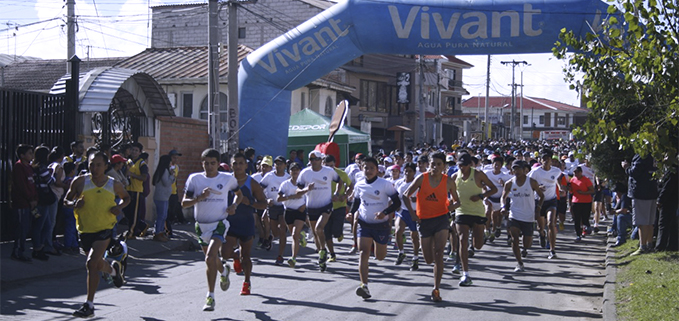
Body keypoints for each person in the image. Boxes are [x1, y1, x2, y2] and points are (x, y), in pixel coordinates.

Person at [64, 152, 130, 318]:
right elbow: (66, 200)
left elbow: (126, 198)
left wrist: (119, 208)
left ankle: (89, 305)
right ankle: (115, 271)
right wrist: (74, 204)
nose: (94, 168)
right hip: (85, 230)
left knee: (91, 263)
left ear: (106, 166)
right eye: (92, 164)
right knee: (97, 264)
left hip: (105, 229)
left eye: (99, 165)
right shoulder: (80, 182)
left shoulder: (113, 184)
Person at [181, 148, 242, 311]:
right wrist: (199, 198)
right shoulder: (195, 179)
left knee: (209, 258)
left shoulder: (227, 178)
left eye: (212, 163)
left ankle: (210, 296)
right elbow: (184, 203)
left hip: (219, 224)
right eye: (206, 163)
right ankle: (224, 272)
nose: (209, 167)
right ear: (202, 163)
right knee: (213, 260)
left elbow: (239, 194)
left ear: (218, 164)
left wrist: (234, 205)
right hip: (201, 225)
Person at [403, 152, 459, 301]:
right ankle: (430, 250)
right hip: (424, 221)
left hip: (441, 220)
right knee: (428, 259)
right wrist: (413, 214)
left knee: (439, 253)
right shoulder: (422, 178)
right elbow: (405, 195)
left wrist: (447, 209)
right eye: (433, 164)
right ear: (429, 164)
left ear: (444, 166)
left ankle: (436, 289)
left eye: (439, 164)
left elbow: (457, 201)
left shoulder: (448, 182)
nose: (435, 167)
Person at [349, 157, 401, 299]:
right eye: (366, 168)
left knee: (380, 256)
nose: (369, 171)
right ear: (362, 169)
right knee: (363, 253)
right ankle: (364, 286)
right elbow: (357, 202)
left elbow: (397, 202)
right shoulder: (359, 185)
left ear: (377, 170)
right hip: (364, 223)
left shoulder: (385, 184)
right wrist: (351, 213)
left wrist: (384, 212)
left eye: (372, 168)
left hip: (381, 225)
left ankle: (382, 242)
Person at [221, 153, 267, 296]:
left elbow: (264, 204)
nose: (238, 166)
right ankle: (235, 257)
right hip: (229, 222)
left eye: (241, 163)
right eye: (235, 163)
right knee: (224, 253)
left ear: (246, 165)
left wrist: (250, 202)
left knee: (246, 256)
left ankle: (246, 282)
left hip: (246, 222)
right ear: (231, 165)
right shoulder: (225, 180)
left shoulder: (252, 183)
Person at [449, 152, 498, 286]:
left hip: (477, 212)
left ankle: (480, 237)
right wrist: (451, 203)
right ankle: (465, 274)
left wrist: (481, 197)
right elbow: (451, 193)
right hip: (462, 211)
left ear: (470, 164)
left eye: (464, 165)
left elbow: (494, 189)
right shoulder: (454, 176)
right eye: (460, 165)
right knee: (462, 240)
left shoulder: (478, 174)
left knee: (478, 245)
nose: (462, 168)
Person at [296, 150, 343, 272]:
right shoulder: (305, 173)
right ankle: (322, 254)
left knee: (319, 228)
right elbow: (298, 191)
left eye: (315, 159)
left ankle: (323, 250)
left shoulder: (328, 171)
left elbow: (340, 181)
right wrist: (307, 189)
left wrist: (337, 193)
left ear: (321, 160)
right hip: (311, 206)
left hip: (326, 205)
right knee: (316, 234)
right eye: (310, 159)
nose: (312, 162)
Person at [501, 160, 544, 272]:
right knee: (515, 239)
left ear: (524, 170)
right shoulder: (509, 183)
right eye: (514, 169)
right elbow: (503, 197)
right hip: (514, 215)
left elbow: (541, 196)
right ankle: (519, 263)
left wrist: (538, 208)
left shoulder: (532, 182)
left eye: (519, 169)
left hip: (528, 216)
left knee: (527, 242)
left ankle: (524, 249)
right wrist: (503, 207)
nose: (516, 171)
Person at [527, 150, 565, 259]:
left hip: (551, 200)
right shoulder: (535, 172)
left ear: (551, 161)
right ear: (540, 160)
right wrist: (537, 188)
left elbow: (557, 179)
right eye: (543, 159)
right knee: (540, 227)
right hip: (539, 201)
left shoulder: (556, 171)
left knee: (551, 223)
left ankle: (552, 250)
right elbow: (528, 182)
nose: (545, 161)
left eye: (548, 159)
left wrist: (560, 187)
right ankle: (542, 234)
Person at [622, 154, 658, 255]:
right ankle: (649, 244)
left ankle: (643, 246)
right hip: (652, 191)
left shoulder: (642, 156)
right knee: (650, 221)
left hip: (641, 193)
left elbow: (634, 172)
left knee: (642, 221)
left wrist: (626, 167)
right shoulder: (654, 154)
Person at [259, 156, 291, 265]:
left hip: (284, 207)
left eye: (281, 164)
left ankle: (280, 256)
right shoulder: (269, 176)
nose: (278, 166)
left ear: (285, 166)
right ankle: (272, 236)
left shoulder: (288, 177)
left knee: (282, 229)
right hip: (272, 206)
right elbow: (259, 189)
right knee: (275, 232)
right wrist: (266, 199)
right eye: (277, 164)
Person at [277, 162, 309, 267]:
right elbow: (279, 198)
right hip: (289, 212)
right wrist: (291, 197)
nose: (295, 172)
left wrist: (304, 205)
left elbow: (310, 197)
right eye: (292, 170)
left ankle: (293, 258)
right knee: (294, 234)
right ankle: (301, 236)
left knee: (294, 235)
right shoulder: (285, 184)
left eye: (297, 170)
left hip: (300, 211)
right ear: (289, 172)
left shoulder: (304, 184)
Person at [322, 155, 353, 263]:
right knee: (327, 232)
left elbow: (350, 186)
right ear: (323, 164)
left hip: (339, 205)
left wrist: (345, 195)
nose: (330, 168)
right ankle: (332, 254)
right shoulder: (320, 174)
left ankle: (339, 233)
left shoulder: (342, 174)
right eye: (327, 166)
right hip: (325, 206)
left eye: (332, 166)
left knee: (336, 231)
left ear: (335, 164)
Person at [11, 144, 37, 262]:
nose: (32, 155)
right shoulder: (19, 167)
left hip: (29, 203)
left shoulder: (29, 167)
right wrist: (30, 198)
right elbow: (22, 186)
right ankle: (17, 251)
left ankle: (21, 250)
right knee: (21, 228)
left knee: (26, 227)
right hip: (22, 203)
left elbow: (32, 184)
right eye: (29, 153)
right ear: (22, 155)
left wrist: (34, 198)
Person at [394, 162, 420, 271]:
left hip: (415, 212)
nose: (407, 173)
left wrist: (417, 200)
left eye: (410, 171)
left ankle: (415, 258)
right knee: (398, 231)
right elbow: (396, 196)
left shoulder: (418, 183)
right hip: (403, 210)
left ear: (414, 172)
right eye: (406, 171)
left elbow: (425, 197)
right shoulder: (399, 183)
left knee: (414, 236)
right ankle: (401, 252)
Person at [32, 146, 57, 260]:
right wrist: (52, 175)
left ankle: (41, 246)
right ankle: (37, 248)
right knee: (40, 225)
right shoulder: (41, 168)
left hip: (41, 199)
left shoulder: (33, 167)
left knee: (46, 225)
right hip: (42, 199)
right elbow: (50, 181)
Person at [483, 155, 513, 241]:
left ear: (501, 166)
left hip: (499, 199)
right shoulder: (487, 174)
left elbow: (508, 189)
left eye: (499, 165)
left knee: (495, 216)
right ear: (492, 165)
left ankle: (494, 229)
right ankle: (486, 230)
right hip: (489, 197)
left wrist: (503, 184)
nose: (497, 167)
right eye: (495, 164)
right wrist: (485, 192)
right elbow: (482, 184)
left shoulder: (505, 176)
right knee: (487, 211)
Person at [123, 142, 149, 239]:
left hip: (136, 191)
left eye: (136, 150)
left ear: (140, 152)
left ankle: (132, 232)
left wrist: (132, 175)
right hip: (128, 189)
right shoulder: (128, 161)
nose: (134, 152)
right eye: (132, 150)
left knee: (134, 212)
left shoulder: (142, 163)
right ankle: (142, 225)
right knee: (127, 211)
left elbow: (144, 177)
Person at [252, 156, 273, 250]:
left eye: (267, 166)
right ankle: (262, 237)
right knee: (257, 219)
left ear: (271, 168)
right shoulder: (254, 177)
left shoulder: (272, 177)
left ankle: (267, 238)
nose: (264, 168)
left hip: (268, 203)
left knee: (265, 220)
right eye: (263, 166)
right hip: (257, 202)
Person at [152, 155, 175, 242]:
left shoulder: (163, 170)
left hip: (164, 197)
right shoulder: (164, 171)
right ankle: (158, 232)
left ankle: (160, 231)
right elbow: (166, 183)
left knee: (163, 215)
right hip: (161, 197)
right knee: (161, 216)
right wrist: (172, 176)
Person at [655, 164, 678, 251]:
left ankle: (660, 246)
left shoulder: (672, 171)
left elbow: (667, 187)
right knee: (672, 223)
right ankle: (673, 245)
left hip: (669, 199)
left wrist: (660, 200)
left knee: (663, 223)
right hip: (672, 198)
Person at [570, 167, 595, 242]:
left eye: (577, 172)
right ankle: (578, 235)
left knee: (585, 218)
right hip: (576, 201)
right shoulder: (572, 180)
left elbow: (592, 190)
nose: (576, 174)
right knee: (577, 219)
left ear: (581, 172)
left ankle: (587, 227)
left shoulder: (586, 180)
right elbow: (571, 191)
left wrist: (583, 193)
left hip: (586, 202)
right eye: (574, 172)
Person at [61, 162, 80, 254]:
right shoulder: (73, 182)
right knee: (72, 227)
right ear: (72, 171)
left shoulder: (64, 180)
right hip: (72, 205)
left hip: (66, 204)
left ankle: (72, 244)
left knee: (69, 226)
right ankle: (70, 245)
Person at [610, 183, 633, 247]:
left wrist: (615, 212)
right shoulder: (621, 198)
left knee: (621, 217)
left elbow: (623, 210)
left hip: (634, 218)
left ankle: (621, 239)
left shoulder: (625, 196)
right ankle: (616, 231)